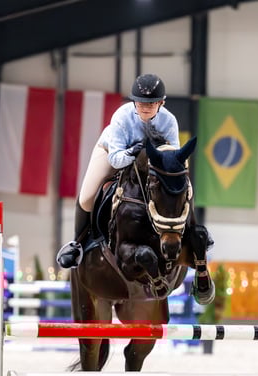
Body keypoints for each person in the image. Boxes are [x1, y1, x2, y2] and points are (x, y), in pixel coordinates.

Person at [56, 73, 180, 269]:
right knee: (87, 197)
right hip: (112, 152)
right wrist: (134, 151)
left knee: (176, 189)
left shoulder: (169, 121)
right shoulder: (122, 116)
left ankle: (188, 233)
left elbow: (172, 158)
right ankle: (78, 243)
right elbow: (116, 159)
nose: (145, 107)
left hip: (149, 163)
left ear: (161, 103)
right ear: (134, 102)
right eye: (141, 103)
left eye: (151, 103)